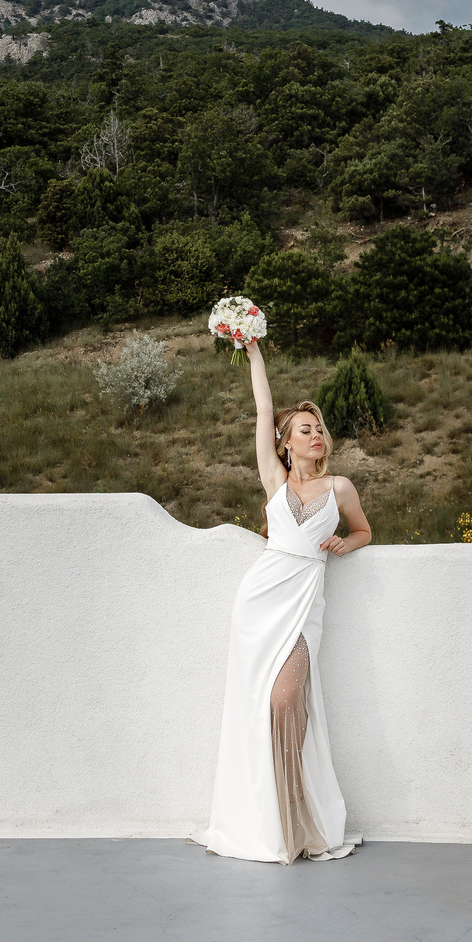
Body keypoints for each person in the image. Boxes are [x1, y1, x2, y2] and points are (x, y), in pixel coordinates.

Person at [197, 336, 371, 863]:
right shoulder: (273, 481)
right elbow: (263, 407)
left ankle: (295, 809)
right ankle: (269, 816)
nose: (316, 435)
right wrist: (253, 353)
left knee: (284, 701)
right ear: (286, 443)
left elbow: (364, 532)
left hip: (302, 607)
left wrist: (346, 541)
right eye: (305, 430)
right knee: (256, 708)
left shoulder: (340, 488)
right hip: (258, 602)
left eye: (320, 429)